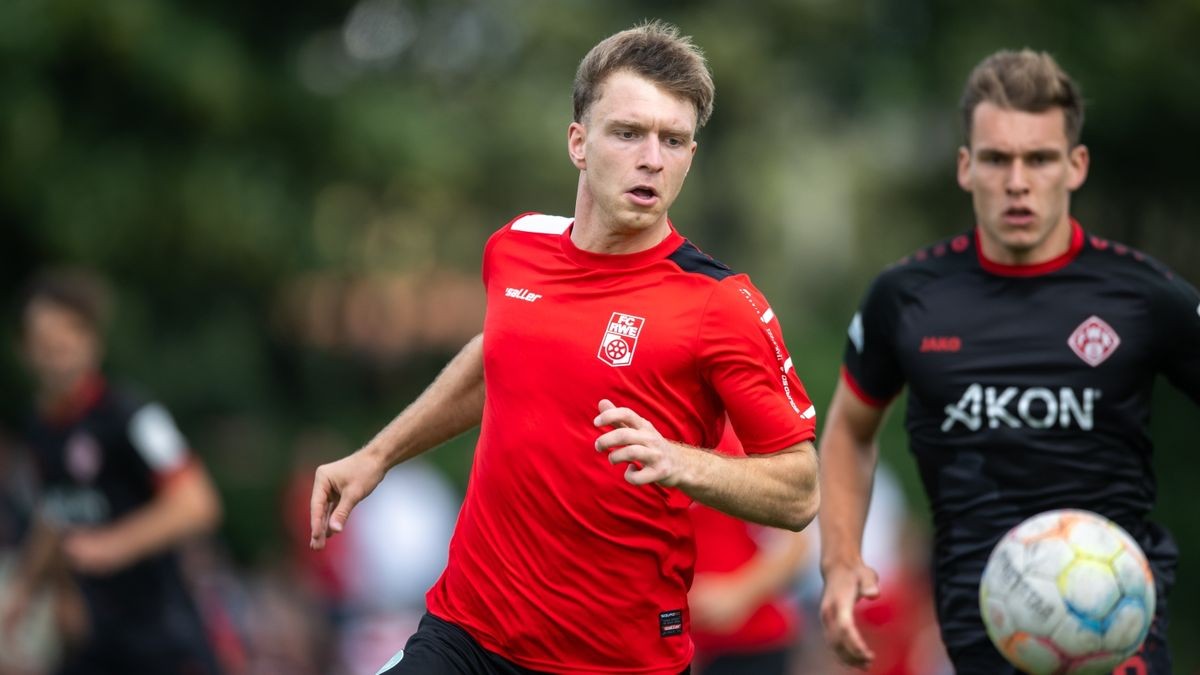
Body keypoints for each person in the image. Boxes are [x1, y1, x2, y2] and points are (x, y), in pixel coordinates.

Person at [308, 20, 820, 675]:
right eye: (628, 133)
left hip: (617, 659)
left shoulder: (720, 303)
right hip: (466, 632)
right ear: (579, 142)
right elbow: (501, 353)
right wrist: (376, 456)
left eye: (674, 140)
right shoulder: (516, 247)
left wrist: (678, 461)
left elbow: (800, 490)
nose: (652, 159)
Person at [817, 48, 1200, 675]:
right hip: (980, 631)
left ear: (1075, 166)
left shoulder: (1142, 295)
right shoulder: (907, 298)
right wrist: (840, 561)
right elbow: (848, 434)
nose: (1017, 180)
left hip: (1120, 630)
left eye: (1040, 158)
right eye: (996, 159)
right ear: (966, 168)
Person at [0, 269, 225, 674]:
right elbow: (57, 515)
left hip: (162, 637)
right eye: (45, 345)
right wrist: (24, 593)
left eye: (65, 342)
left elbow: (197, 503)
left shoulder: (133, 416)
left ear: (92, 342)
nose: (56, 357)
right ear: (26, 349)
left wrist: (114, 544)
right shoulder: (38, 430)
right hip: (98, 642)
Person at [688, 422, 811, 675]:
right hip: (679, 648)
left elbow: (794, 544)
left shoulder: (735, 445)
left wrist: (738, 594)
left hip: (751, 647)